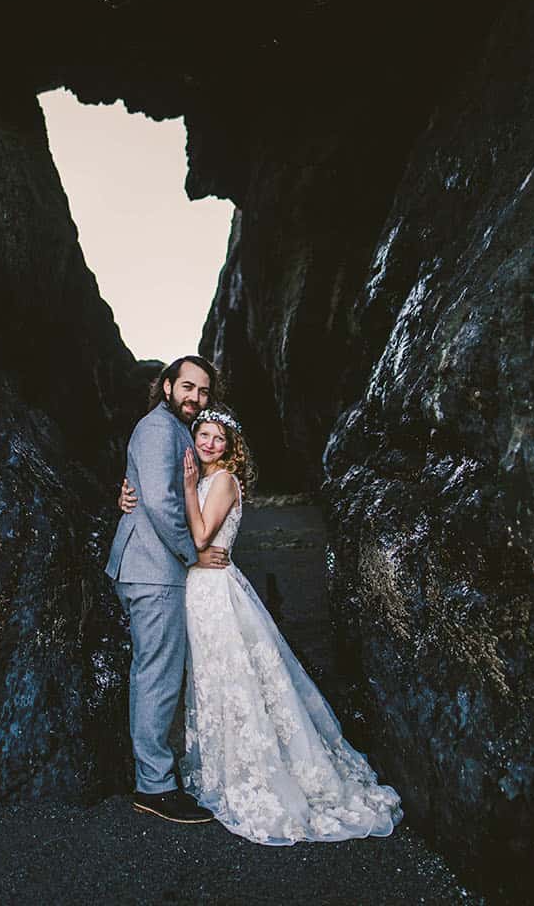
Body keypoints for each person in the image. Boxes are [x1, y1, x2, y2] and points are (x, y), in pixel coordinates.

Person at [119, 403, 402, 844]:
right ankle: (206, 765)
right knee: (205, 680)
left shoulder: (224, 481)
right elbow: (158, 504)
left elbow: (198, 538)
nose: (209, 443)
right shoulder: (195, 476)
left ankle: (250, 773)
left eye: (219, 438)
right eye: (203, 435)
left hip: (213, 592)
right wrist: (130, 493)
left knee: (231, 679)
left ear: (231, 448)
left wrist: (191, 484)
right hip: (195, 588)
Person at [103, 355, 226, 824]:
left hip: (152, 566)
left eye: (204, 391)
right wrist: (194, 553)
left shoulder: (174, 430)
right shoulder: (158, 428)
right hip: (153, 569)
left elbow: (149, 488)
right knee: (156, 673)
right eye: (188, 387)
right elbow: (159, 501)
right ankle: (154, 787)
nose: (196, 397)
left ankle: (155, 774)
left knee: (157, 670)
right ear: (168, 386)